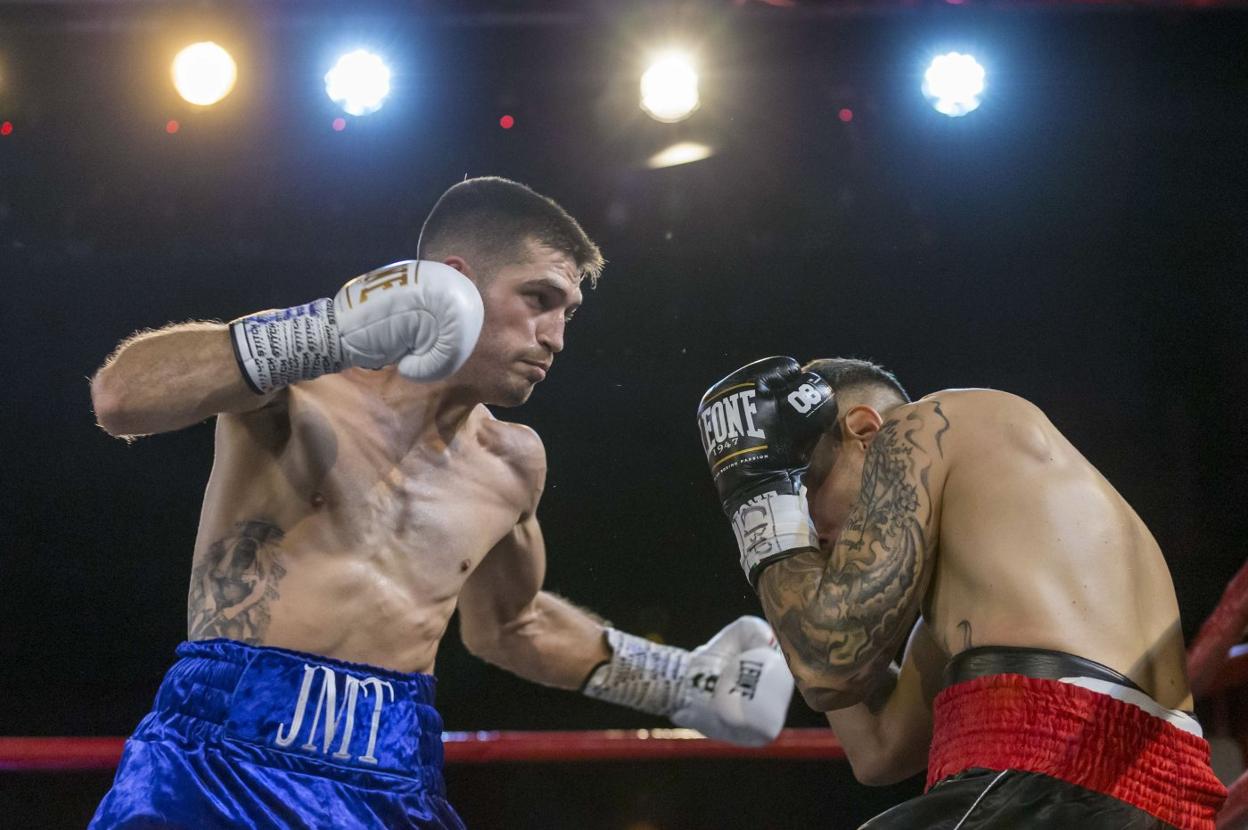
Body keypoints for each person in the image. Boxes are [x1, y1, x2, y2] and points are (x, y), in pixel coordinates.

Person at [87, 177, 794, 829]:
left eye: (569, 312)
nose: (555, 337)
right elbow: (121, 399)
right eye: (538, 299)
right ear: (450, 283)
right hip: (225, 755)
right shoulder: (302, 385)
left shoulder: (512, 463)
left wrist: (679, 681)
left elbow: (509, 624)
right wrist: (327, 330)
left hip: (397, 770)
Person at [696, 355, 1227, 829]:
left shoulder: (929, 421)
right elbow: (877, 750)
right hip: (1151, 801)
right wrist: (795, 577)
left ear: (863, 430)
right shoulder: (992, 595)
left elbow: (828, 665)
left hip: (1054, 781)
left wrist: (762, 506)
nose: (807, 523)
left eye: (808, 487)